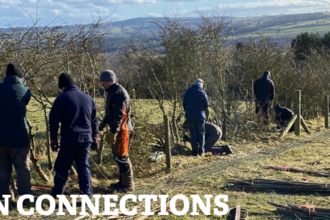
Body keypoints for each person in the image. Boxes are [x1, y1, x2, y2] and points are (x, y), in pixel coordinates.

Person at [49, 73, 99, 198]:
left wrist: (53, 139)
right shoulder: (88, 98)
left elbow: (53, 122)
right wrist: (95, 136)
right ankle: (86, 193)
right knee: (83, 165)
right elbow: (94, 120)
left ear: (62, 86)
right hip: (86, 138)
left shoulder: (61, 99)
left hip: (69, 138)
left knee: (62, 165)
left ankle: (57, 192)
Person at [0, 64, 32, 199]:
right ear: (21, 78)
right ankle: (25, 196)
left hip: (1, 137)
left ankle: (5, 196)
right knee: (22, 168)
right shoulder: (25, 91)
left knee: (2, 169)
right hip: (19, 137)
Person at [99, 70, 134, 193]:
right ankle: (122, 182)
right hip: (118, 129)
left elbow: (120, 114)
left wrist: (113, 131)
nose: (102, 84)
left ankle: (128, 185)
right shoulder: (112, 91)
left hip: (122, 130)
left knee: (122, 158)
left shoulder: (119, 93)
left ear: (110, 80)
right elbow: (111, 113)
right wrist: (102, 124)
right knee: (117, 156)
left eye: (103, 81)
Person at [183, 78, 209, 156]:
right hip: (200, 117)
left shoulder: (188, 92)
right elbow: (206, 105)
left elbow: (184, 104)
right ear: (201, 84)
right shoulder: (202, 92)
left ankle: (194, 151)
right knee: (201, 133)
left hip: (190, 116)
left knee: (193, 133)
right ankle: (201, 151)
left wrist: (188, 111)